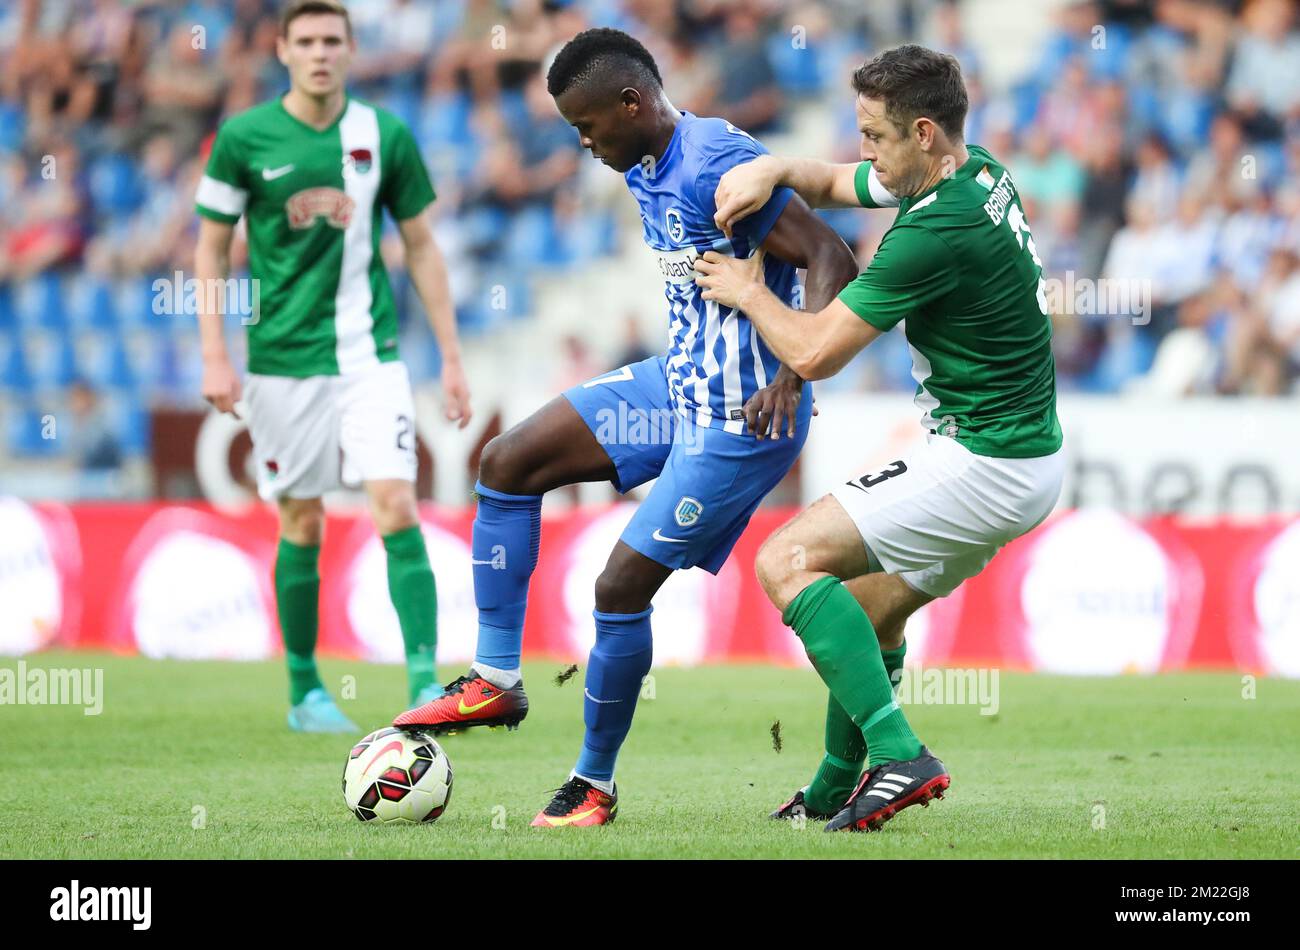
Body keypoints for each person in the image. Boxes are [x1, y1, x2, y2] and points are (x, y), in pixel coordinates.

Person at [392, 27, 859, 828]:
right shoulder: (644, 158)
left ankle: (593, 786)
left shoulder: (714, 164)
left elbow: (831, 255)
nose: (581, 142)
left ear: (632, 103)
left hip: (742, 417)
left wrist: (794, 370)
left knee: (617, 588)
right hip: (675, 386)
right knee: (507, 462)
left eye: (587, 125)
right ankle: (496, 678)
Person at [694, 44, 1065, 832]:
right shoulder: (977, 170)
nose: (863, 149)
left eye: (875, 135)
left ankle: (899, 754)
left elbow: (815, 352)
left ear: (923, 132)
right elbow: (837, 180)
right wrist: (776, 169)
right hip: (1019, 455)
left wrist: (748, 291)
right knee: (868, 610)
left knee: (785, 559)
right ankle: (834, 788)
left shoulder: (934, 231)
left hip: (984, 458)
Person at [194, 0, 471, 733]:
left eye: (332, 41)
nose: (320, 53)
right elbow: (210, 249)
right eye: (306, 41)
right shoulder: (243, 138)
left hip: (370, 355)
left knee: (396, 502)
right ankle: (305, 690)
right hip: (281, 362)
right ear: (282, 49)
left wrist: (449, 356)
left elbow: (419, 245)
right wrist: (215, 352)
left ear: (351, 50)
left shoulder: (384, 134)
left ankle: (422, 677)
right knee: (303, 522)